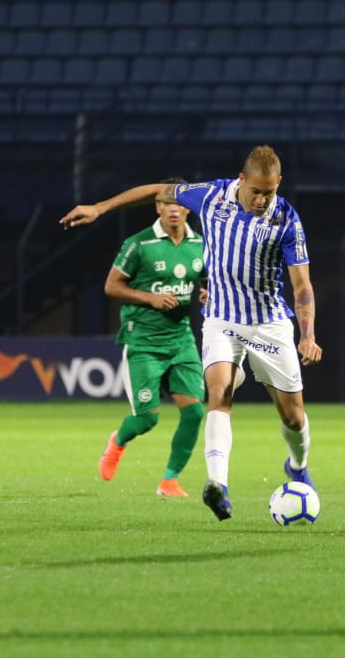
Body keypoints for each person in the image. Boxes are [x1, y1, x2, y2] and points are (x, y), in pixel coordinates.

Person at [62, 145, 322, 521]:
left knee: (293, 416)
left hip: (269, 322)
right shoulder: (212, 196)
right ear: (241, 180)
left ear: (278, 183)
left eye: (270, 191)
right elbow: (156, 190)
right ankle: (219, 486)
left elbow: (302, 287)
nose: (263, 199)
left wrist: (307, 334)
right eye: (256, 191)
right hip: (221, 318)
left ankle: (297, 465)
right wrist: (99, 208)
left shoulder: (286, 219)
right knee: (218, 393)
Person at [98, 179, 207, 497]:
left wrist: (204, 293)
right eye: (166, 203)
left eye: (178, 203)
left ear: (187, 207)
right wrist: (150, 298)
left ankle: (169, 480)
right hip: (144, 341)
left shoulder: (200, 244)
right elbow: (112, 286)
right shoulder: (139, 243)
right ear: (157, 206)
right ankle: (118, 441)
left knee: (194, 412)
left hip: (181, 339)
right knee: (147, 420)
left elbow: (198, 281)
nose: (173, 208)